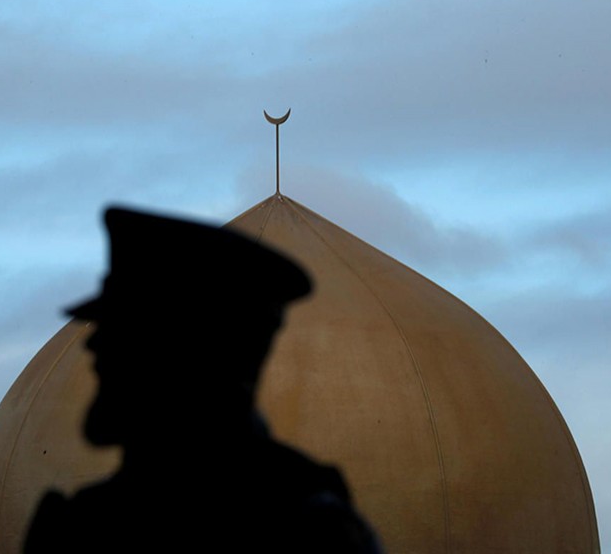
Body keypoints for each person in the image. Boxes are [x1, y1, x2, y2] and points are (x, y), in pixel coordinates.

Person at [24, 207, 381, 553]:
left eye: (127, 330)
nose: (93, 345)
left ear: (195, 350)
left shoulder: (303, 528)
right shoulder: (84, 525)